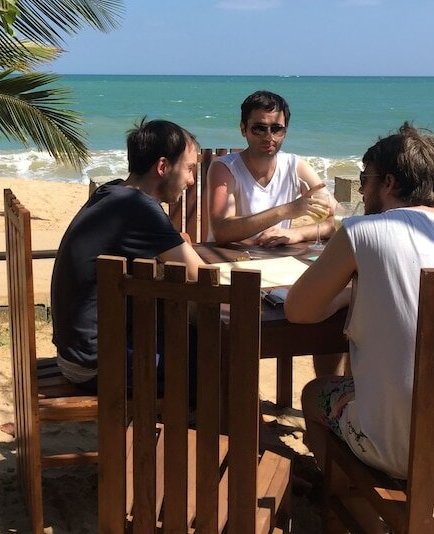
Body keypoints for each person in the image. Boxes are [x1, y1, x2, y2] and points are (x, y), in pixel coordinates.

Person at [285, 123, 434, 531]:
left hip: (405, 451)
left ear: (388, 182)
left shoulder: (362, 232)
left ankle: (360, 517)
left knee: (316, 394)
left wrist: (348, 292)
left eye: (365, 180)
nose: (363, 192)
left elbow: (299, 310)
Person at [50, 118, 204, 390]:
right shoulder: (140, 208)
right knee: (214, 357)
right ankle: (199, 429)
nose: (191, 181)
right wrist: (184, 249)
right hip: (96, 365)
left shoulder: (113, 191)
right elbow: (202, 276)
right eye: (189, 169)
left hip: (76, 352)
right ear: (162, 166)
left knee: (192, 338)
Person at [206, 90, 335, 246]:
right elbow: (221, 230)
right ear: (243, 129)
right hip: (227, 260)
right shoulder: (225, 168)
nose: (269, 137)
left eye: (276, 129)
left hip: (274, 260)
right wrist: (286, 211)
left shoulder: (294, 166)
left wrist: (297, 233)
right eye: (259, 128)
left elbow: (335, 221)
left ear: (285, 131)